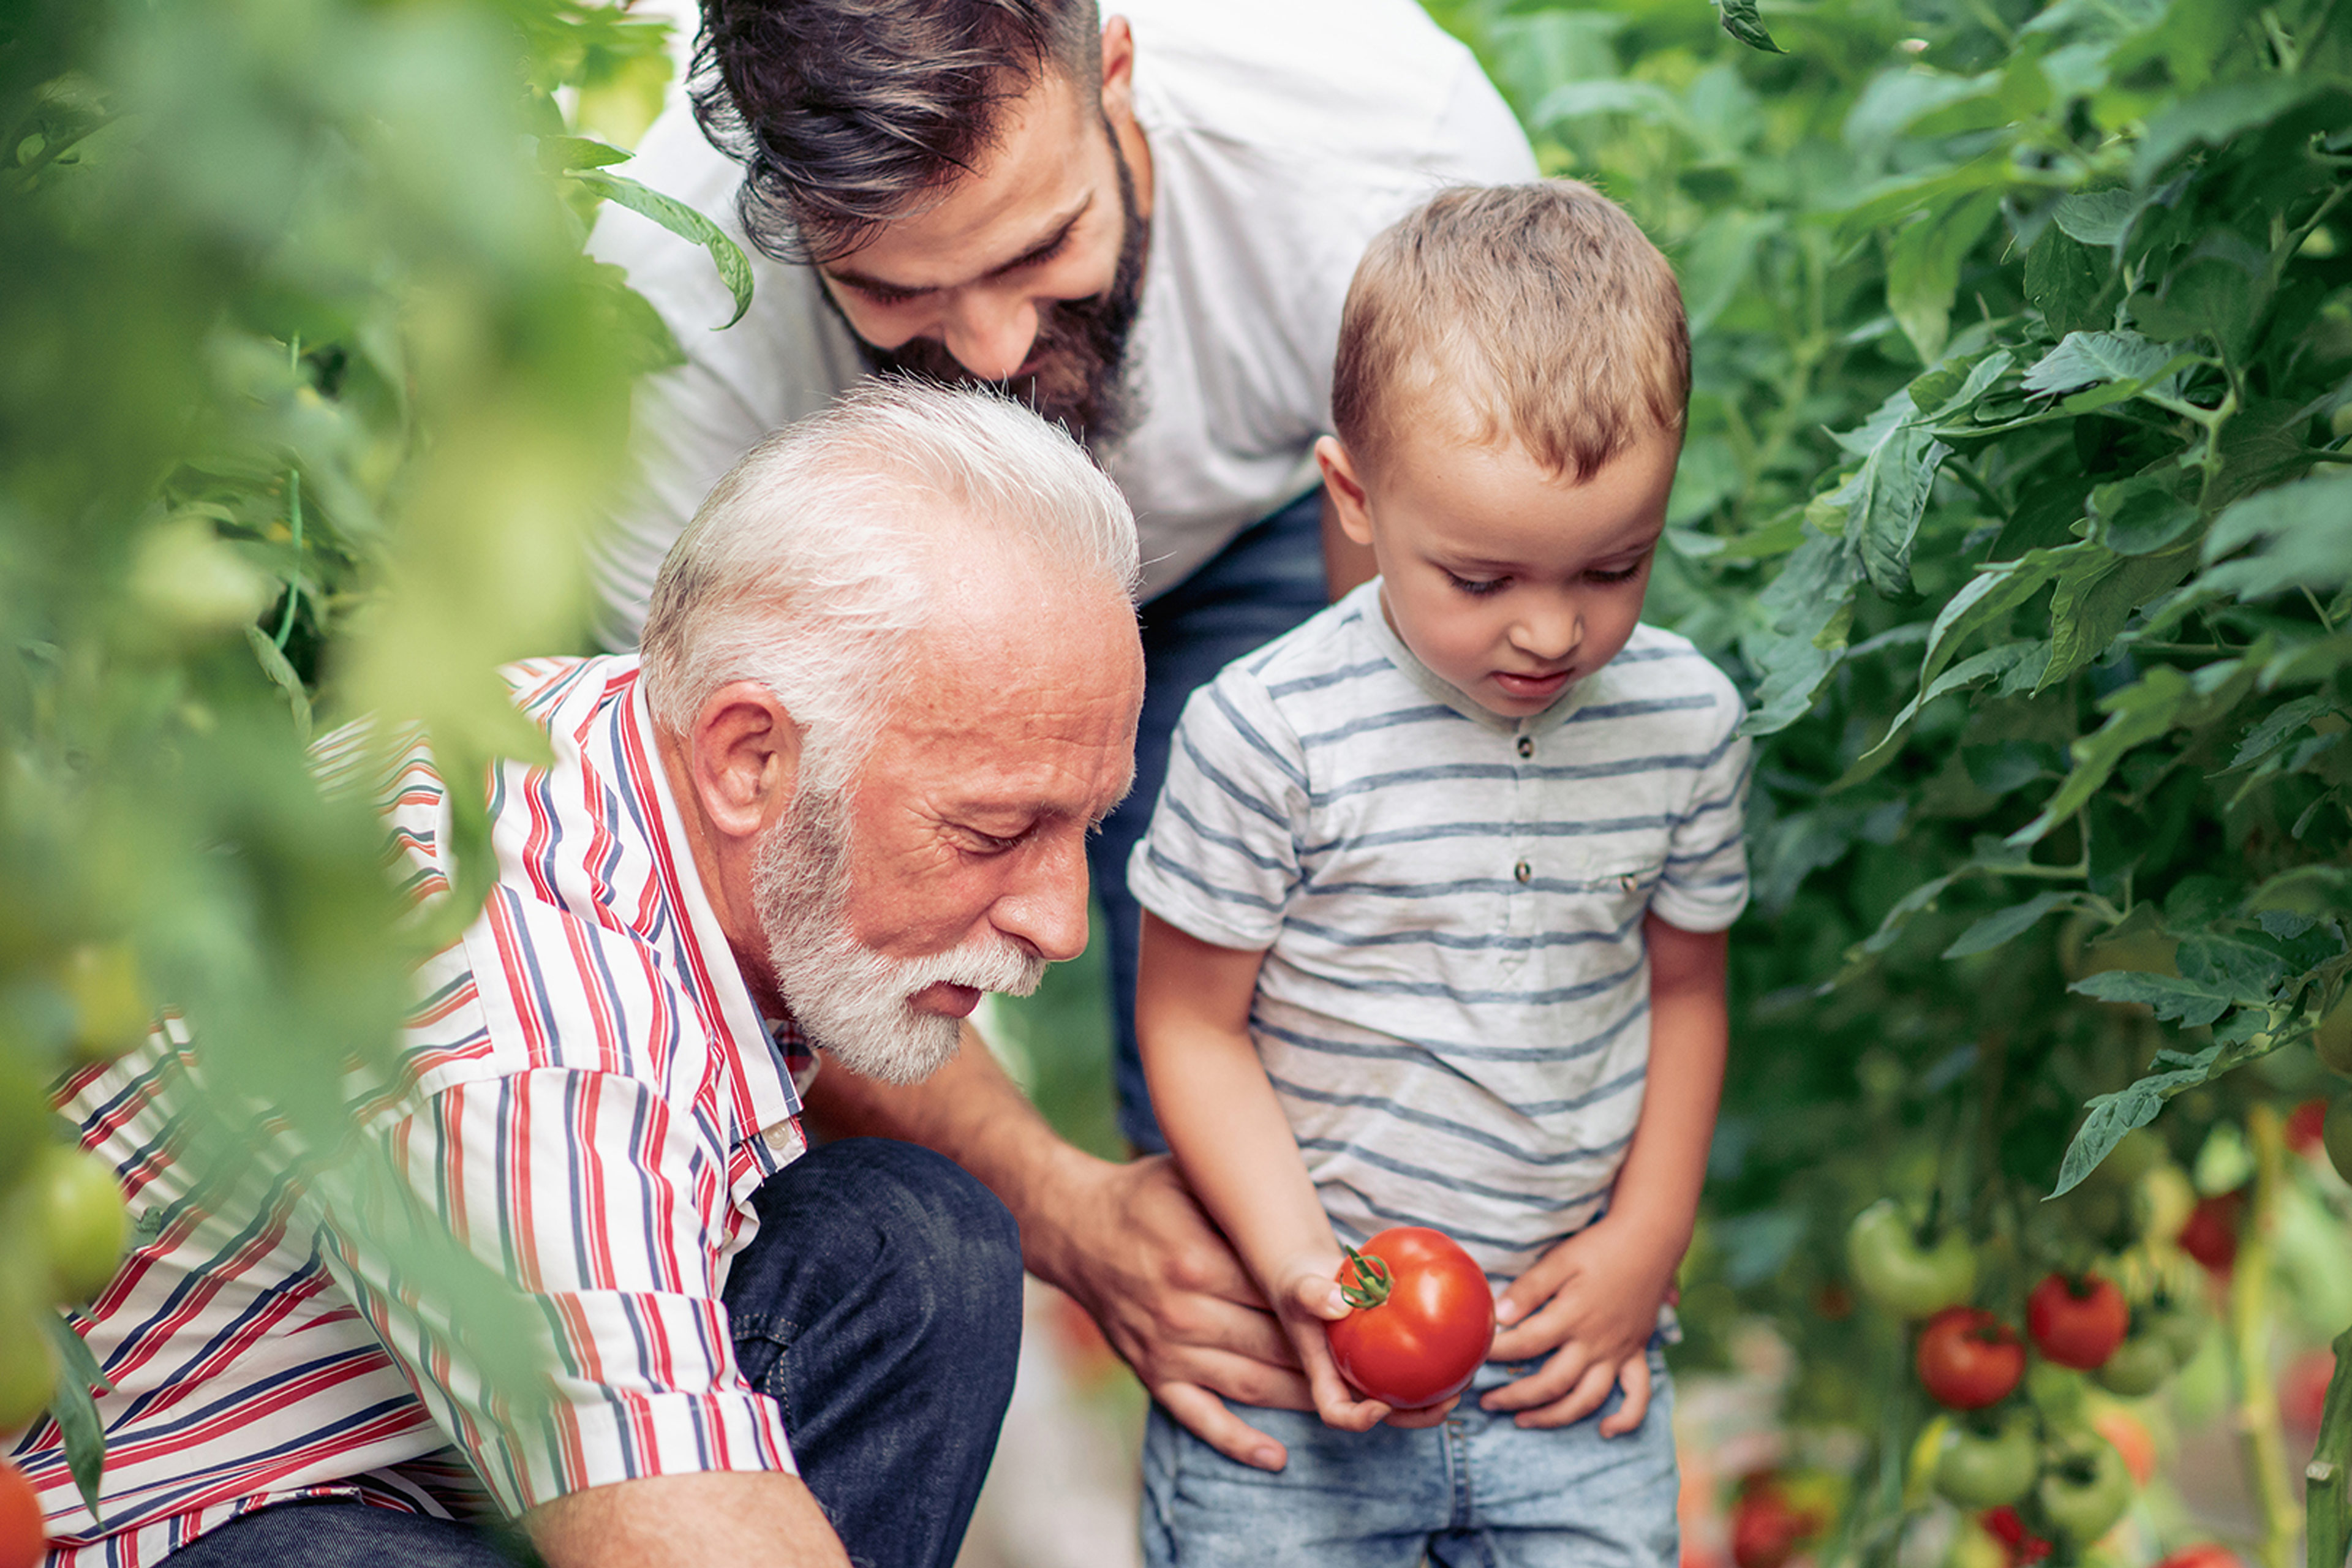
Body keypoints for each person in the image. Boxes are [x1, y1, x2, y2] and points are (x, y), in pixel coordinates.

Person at [12, 385, 1153, 1568]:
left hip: (387, 1444)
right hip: (185, 1517)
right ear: (749, 758)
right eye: (990, 834)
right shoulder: (532, 1040)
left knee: (916, 1251)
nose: (1060, 922)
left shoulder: (625, 737)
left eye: (1086, 828)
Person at [587, 0, 1539, 1160]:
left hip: (1262, 533)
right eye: (895, 292)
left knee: (1305, 1006)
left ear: (1118, 74)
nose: (989, 350)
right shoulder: (666, 313)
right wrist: (1063, 1209)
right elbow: (729, 875)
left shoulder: (1398, 159)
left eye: (1040, 248)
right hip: (892, 617)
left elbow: (1408, 749)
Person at [1126, 183, 1754, 1566]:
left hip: (1565, 1374)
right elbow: (1188, 1020)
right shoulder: (1266, 730)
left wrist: (1647, 1241)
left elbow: (1690, 990)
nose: (1550, 628)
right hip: (1294, 1383)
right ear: (1353, 495)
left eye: (1614, 565)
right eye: (1478, 576)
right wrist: (1304, 1263)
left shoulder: (1687, 722)